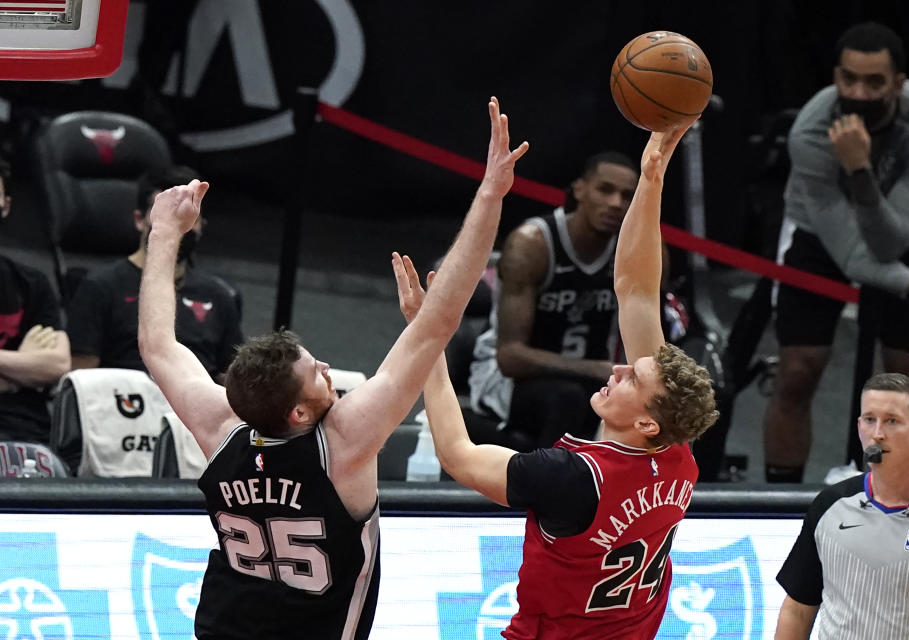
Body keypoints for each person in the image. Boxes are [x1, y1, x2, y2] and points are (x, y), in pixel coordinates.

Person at [137, 97, 528, 639]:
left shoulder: (221, 431)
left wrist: (162, 233)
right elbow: (439, 322)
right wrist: (489, 196)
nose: (326, 366)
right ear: (298, 411)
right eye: (316, 372)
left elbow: (158, 345)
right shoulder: (342, 445)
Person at [394, 124, 718, 639]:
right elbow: (636, 288)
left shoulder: (568, 477)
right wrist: (652, 177)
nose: (617, 367)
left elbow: (456, 454)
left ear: (645, 421)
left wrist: (427, 338)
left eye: (633, 376)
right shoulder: (679, 453)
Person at [764, 22, 909, 483]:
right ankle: (780, 500)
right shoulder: (811, 132)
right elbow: (852, 256)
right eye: (849, 79)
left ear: (899, 83)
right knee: (797, 369)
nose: (859, 92)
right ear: (835, 77)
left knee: (906, 382)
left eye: (874, 82)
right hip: (819, 234)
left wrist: (859, 171)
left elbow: (888, 243)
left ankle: (895, 495)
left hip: (905, 230)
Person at [468, 152, 639, 447]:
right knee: (568, 398)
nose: (615, 203)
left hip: (593, 379)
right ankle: (549, 490)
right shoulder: (532, 244)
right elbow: (510, 357)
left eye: (626, 196)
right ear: (580, 190)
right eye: (605, 190)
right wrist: (596, 369)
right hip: (505, 382)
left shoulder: (635, 252)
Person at [774, 373, 909, 639]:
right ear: (859, 425)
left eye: (892, 421)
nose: (878, 434)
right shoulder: (830, 506)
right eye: (870, 420)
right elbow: (798, 609)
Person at [67, 165, 243, 381]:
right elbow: (81, 379)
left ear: (201, 225)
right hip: (124, 403)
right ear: (139, 220)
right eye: (167, 215)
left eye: (189, 217)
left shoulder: (219, 296)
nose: (179, 226)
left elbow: (233, 379)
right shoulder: (100, 287)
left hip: (194, 406)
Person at [0, 157, 71, 444]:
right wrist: (18, 372)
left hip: (26, 434)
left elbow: (58, 364)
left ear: (5, 204)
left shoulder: (31, 282)